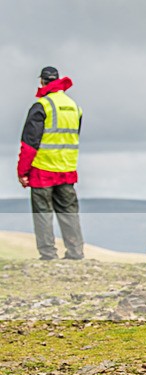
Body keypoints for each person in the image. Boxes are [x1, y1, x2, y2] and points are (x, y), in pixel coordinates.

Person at [17, 66, 85, 261]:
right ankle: (76, 252)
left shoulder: (42, 106)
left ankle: (48, 254)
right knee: (69, 213)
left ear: (42, 82)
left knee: (43, 214)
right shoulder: (74, 107)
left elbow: (29, 144)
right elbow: (73, 137)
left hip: (42, 170)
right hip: (67, 169)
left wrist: (22, 172)